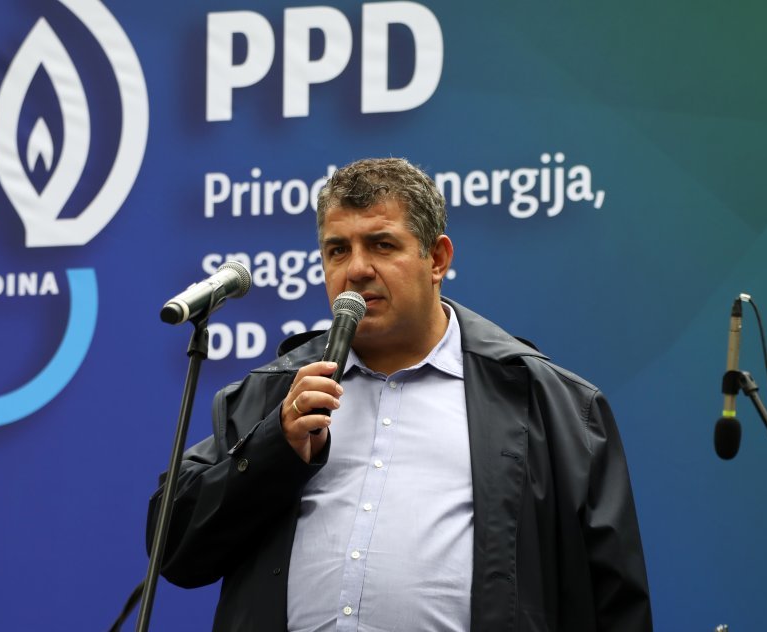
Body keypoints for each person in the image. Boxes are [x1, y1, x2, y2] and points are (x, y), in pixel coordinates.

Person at [148, 157, 652, 631]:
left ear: (437, 259)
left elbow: (614, 604)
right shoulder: (275, 394)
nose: (356, 269)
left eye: (382, 245)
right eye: (338, 250)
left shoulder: (549, 403)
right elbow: (175, 552)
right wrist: (272, 449)